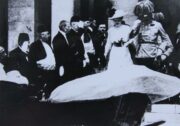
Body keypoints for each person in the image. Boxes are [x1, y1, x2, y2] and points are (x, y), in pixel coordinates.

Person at [49, 10, 180, 126]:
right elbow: (107, 45)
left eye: (118, 20)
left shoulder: (127, 29)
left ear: (121, 19)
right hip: (115, 54)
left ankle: (130, 111)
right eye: (114, 20)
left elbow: (134, 41)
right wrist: (105, 57)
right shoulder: (111, 31)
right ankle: (117, 108)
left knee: (128, 80)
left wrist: (128, 44)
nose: (116, 22)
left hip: (124, 53)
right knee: (114, 80)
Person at [129, 0, 173, 71]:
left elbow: (169, 45)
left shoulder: (157, 25)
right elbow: (129, 39)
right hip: (139, 58)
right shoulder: (139, 25)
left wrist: (162, 56)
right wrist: (133, 28)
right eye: (141, 14)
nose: (143, 16)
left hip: (153, 58)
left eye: (145, 13)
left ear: (150, 13)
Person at [28, 25, 58, 99]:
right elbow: (32, 61)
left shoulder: (48, 45)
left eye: (47, 34)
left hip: (51, 74)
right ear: (40, 35)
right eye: (44, 34)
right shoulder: (34, 45)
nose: (47, 36)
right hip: (42, 75)